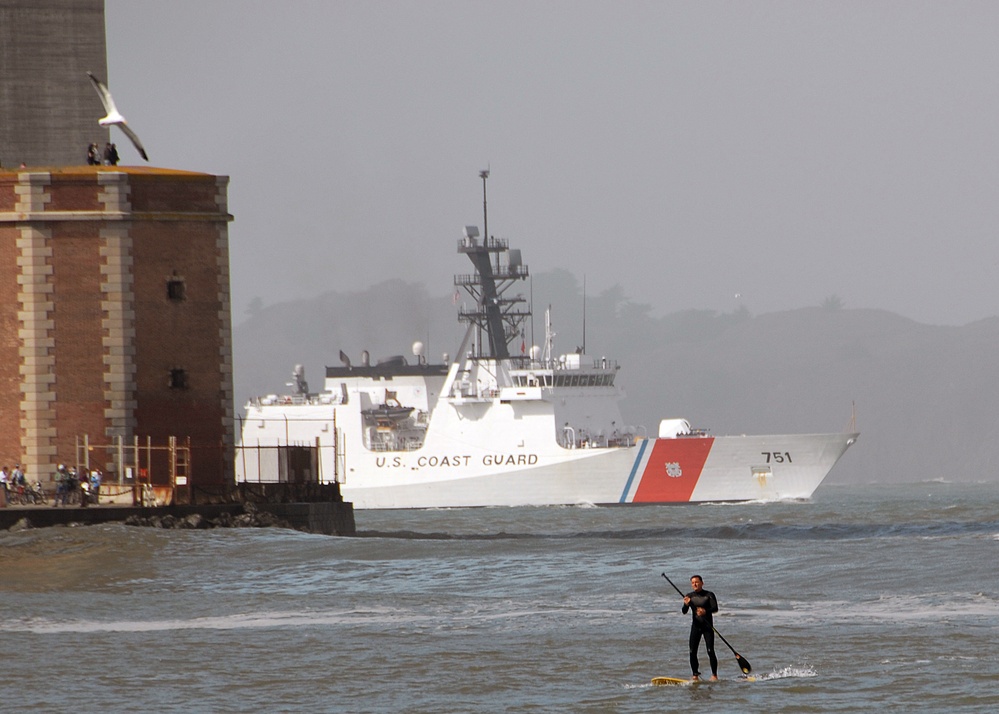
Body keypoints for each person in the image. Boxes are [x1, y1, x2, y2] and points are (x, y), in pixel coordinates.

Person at [681, 574, 719, 681]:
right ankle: (695, 675)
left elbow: (715, 608)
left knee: (710, 650)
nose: (695, 584)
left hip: (708, 627)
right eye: (693, 583)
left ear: (702, 583)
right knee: (692, 651)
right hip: (696, 627)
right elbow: (684, 612)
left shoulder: (709, 595)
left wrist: (705, 611)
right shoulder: (690, 596)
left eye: (697, 582)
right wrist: (686, 604)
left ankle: (714, 675)